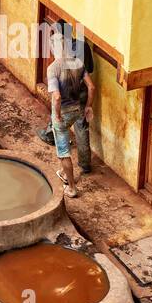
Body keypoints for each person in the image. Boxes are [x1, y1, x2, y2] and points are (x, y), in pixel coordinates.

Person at [47, 30, 94, 198]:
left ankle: (72, 186)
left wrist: (57, 116)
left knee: (63, 151)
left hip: (63, 114)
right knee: (76, 135)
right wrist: (88, 106)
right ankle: (66, 170)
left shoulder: (53, 69)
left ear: (54, 48)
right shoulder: (78, 63)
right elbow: (91, 87)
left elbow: (57, 96)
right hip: (78, 110)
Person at [38, 18, 95, 151]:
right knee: (82, 127)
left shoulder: (61, 49)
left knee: (58, 111)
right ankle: (85, 164)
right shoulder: (84, 46)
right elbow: (90, 69)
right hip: (83, 90)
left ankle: (50, 134)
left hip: (66, 91)